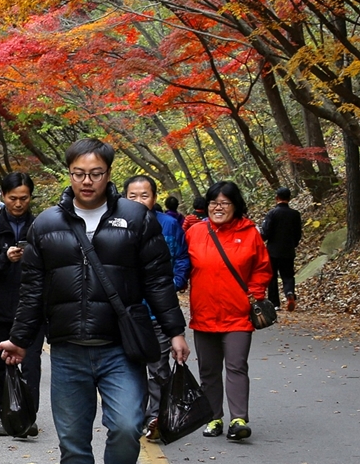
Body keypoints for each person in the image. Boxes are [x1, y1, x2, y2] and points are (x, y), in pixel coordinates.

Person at [0, 138, 188, 464]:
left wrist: (175, 329)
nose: (87, 181)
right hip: (67, 350)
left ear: (108, 174)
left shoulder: (135, 218)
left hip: (119, 348)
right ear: (69, 174)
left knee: (126, 427)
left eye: (96, 173)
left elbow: (157, 278)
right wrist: (21, 339)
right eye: (79, 173)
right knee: (73, 440)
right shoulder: (45, 224)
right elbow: (33, 291)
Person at [185, 182, 272, 441]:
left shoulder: (249, 233)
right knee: (208, 370)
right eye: (213, 203)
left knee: (236, 366)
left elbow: (262, 268)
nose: (218, 208)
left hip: (238, 314)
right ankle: (213, 418)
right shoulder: (195, 232)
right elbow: (180, 264)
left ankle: (238, 419)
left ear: (236, 206)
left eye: (224, 203)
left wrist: (254, 297)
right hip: (204, 312)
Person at [0, 172, 43, 437]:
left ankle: (29, 417)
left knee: (32, 364)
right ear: (3, 197)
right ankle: (5, 416)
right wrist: (5, 258)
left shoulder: (40, 225)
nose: (18, 204)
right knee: (1, 365)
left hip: (32, 307)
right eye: (13, 198)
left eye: (23, 198)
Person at [123, 175, 190, 439]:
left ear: (154, 197)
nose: (139, 201)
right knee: (129, 369)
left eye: (145, 195)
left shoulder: (169, 225)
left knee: (159, 369)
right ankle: (133, 417)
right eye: (133, 196)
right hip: (128, 313)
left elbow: (182, 257)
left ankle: (157, 418)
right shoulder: (115, 224)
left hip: (158, 310)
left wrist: (174, 282)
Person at [261, 187, 302, 312]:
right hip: (288, 250)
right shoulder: (295, 214)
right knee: (288, 275)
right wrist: (293, 244)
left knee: (272, 276)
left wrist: (261, 235)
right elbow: (298, 234)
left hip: (273, 251)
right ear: (289, 199)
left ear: (276, 198)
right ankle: (289, 292)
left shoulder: (272, 214)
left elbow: (265, 233)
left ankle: (275, 304)